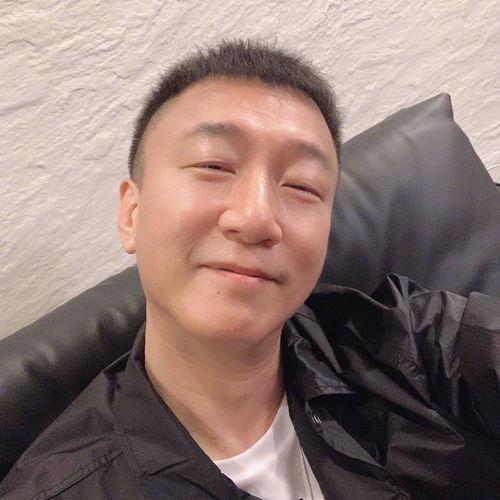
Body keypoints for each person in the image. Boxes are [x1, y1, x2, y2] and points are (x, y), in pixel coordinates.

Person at [1, 39, 499, 500]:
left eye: (302, 186)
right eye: (213, 166)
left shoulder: (408, 345)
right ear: (132, 215)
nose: (257, 217)